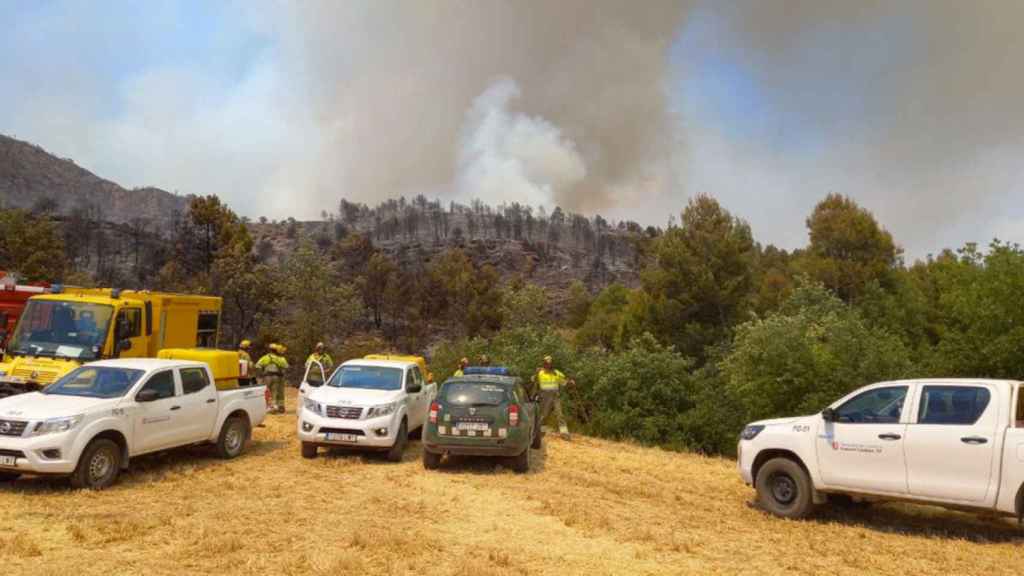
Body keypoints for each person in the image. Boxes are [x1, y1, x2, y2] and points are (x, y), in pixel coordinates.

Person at [533, 355, 573, 440]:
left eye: (550, 363)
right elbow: (533, 380)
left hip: (555, 397)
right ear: (544, 364)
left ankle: (564, 433)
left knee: (560, 414)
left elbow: (564, 382)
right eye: (547, 363)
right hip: (544, 397)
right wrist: (536, 373)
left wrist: (570, 382)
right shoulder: (540, 373)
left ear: (552, 364)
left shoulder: (556, 373)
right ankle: (540, 432)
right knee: (544, 415)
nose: (548, 365)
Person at [256, 343, 289, 414]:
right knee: (275, 393)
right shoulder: (279, 358)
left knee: (266, 392)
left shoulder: (265, 357)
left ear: (270, 350)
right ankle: (274, 408)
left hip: (267, 377)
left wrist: (262, 373)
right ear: (276, 350)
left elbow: (258, 366)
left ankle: (266, 407)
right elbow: (286, 366)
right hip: (277, 377)